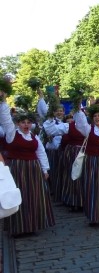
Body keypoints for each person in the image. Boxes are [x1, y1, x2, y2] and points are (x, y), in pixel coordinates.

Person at [0, 91, 55, 236]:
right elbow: (5, 119)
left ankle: (32, 225)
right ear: (17, 123)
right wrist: (3, 101)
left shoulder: (34, 136)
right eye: (23, 122)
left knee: (34, 197)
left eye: (28, 122)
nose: (26, 124)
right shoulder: (12, 134)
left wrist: (45, 170)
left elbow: (41, 153)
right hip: (18, 169)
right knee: (18, 196)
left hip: (34, 170)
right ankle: (18, 227)